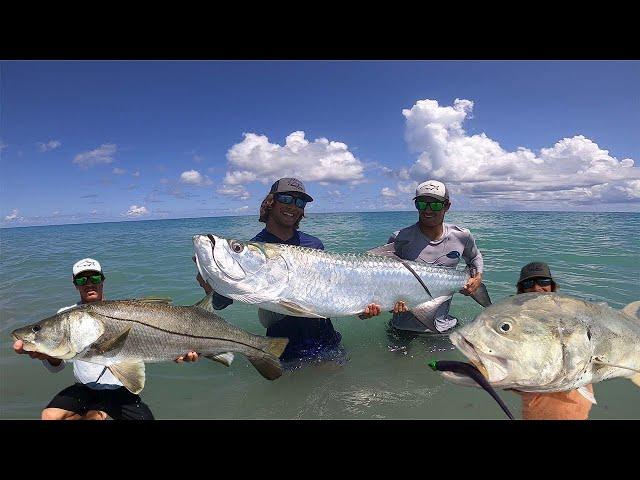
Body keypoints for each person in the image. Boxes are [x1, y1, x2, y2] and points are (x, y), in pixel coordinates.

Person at [196, 177, 372, 368]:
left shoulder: (314, 245)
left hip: (327, 342)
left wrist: (363, 308)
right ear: (270, 202)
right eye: (287, 199)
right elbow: (222, 302)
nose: (293, 206)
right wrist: (210, 286)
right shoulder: (254, 248)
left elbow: (333, 293)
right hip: (283, 348)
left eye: (300, 202)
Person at [13, 258, 198, 420]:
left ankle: (98, 412)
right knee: (50, 416)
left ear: (102, 281)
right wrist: (48, 355)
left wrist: (176, 351)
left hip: (119, 389)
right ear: (75, 284)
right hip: (85, 389)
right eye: (81, 279)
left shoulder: (124, 311)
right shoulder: (65, 316)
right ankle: (95, 412)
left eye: (94, 278)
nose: (89, 283)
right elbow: (57, 366)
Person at [361, 180, 484, 340]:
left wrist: (477, 277)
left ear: (447, 206)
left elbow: (474, 257)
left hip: (443, 326)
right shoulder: (400, 239)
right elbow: (383, 280)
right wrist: (380, 305)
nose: (427, 210)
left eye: (435, 205)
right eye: (422, 204)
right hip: (402, 328)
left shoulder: (462, 236)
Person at [513, 261, 595, 420]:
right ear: (521, 290)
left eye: (543, 282)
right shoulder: (518, 324)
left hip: (576, 401)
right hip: (538, 408)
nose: (537, 288)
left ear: (552, 286)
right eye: (529, 283)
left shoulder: (572, 314)